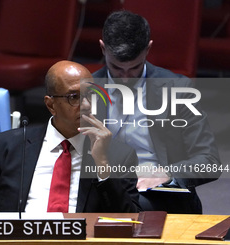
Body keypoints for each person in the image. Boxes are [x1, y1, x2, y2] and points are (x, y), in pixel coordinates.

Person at [0, 60, 141, 214]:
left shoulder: (118, 154)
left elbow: (131, 220)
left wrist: (102, 165)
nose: (86, 104)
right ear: (50, 105)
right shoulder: (7, 146)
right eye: (74, 97)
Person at [93, 10, 221, 213]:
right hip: (103, 185)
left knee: (128, 211)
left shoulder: (178, 89)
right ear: (102, 48)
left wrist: (167, 173)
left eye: (134, 68)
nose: (125, 78)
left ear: (148, 49)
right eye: (117, 68)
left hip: (158, 192)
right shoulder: (85, 89)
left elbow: (209, 161)